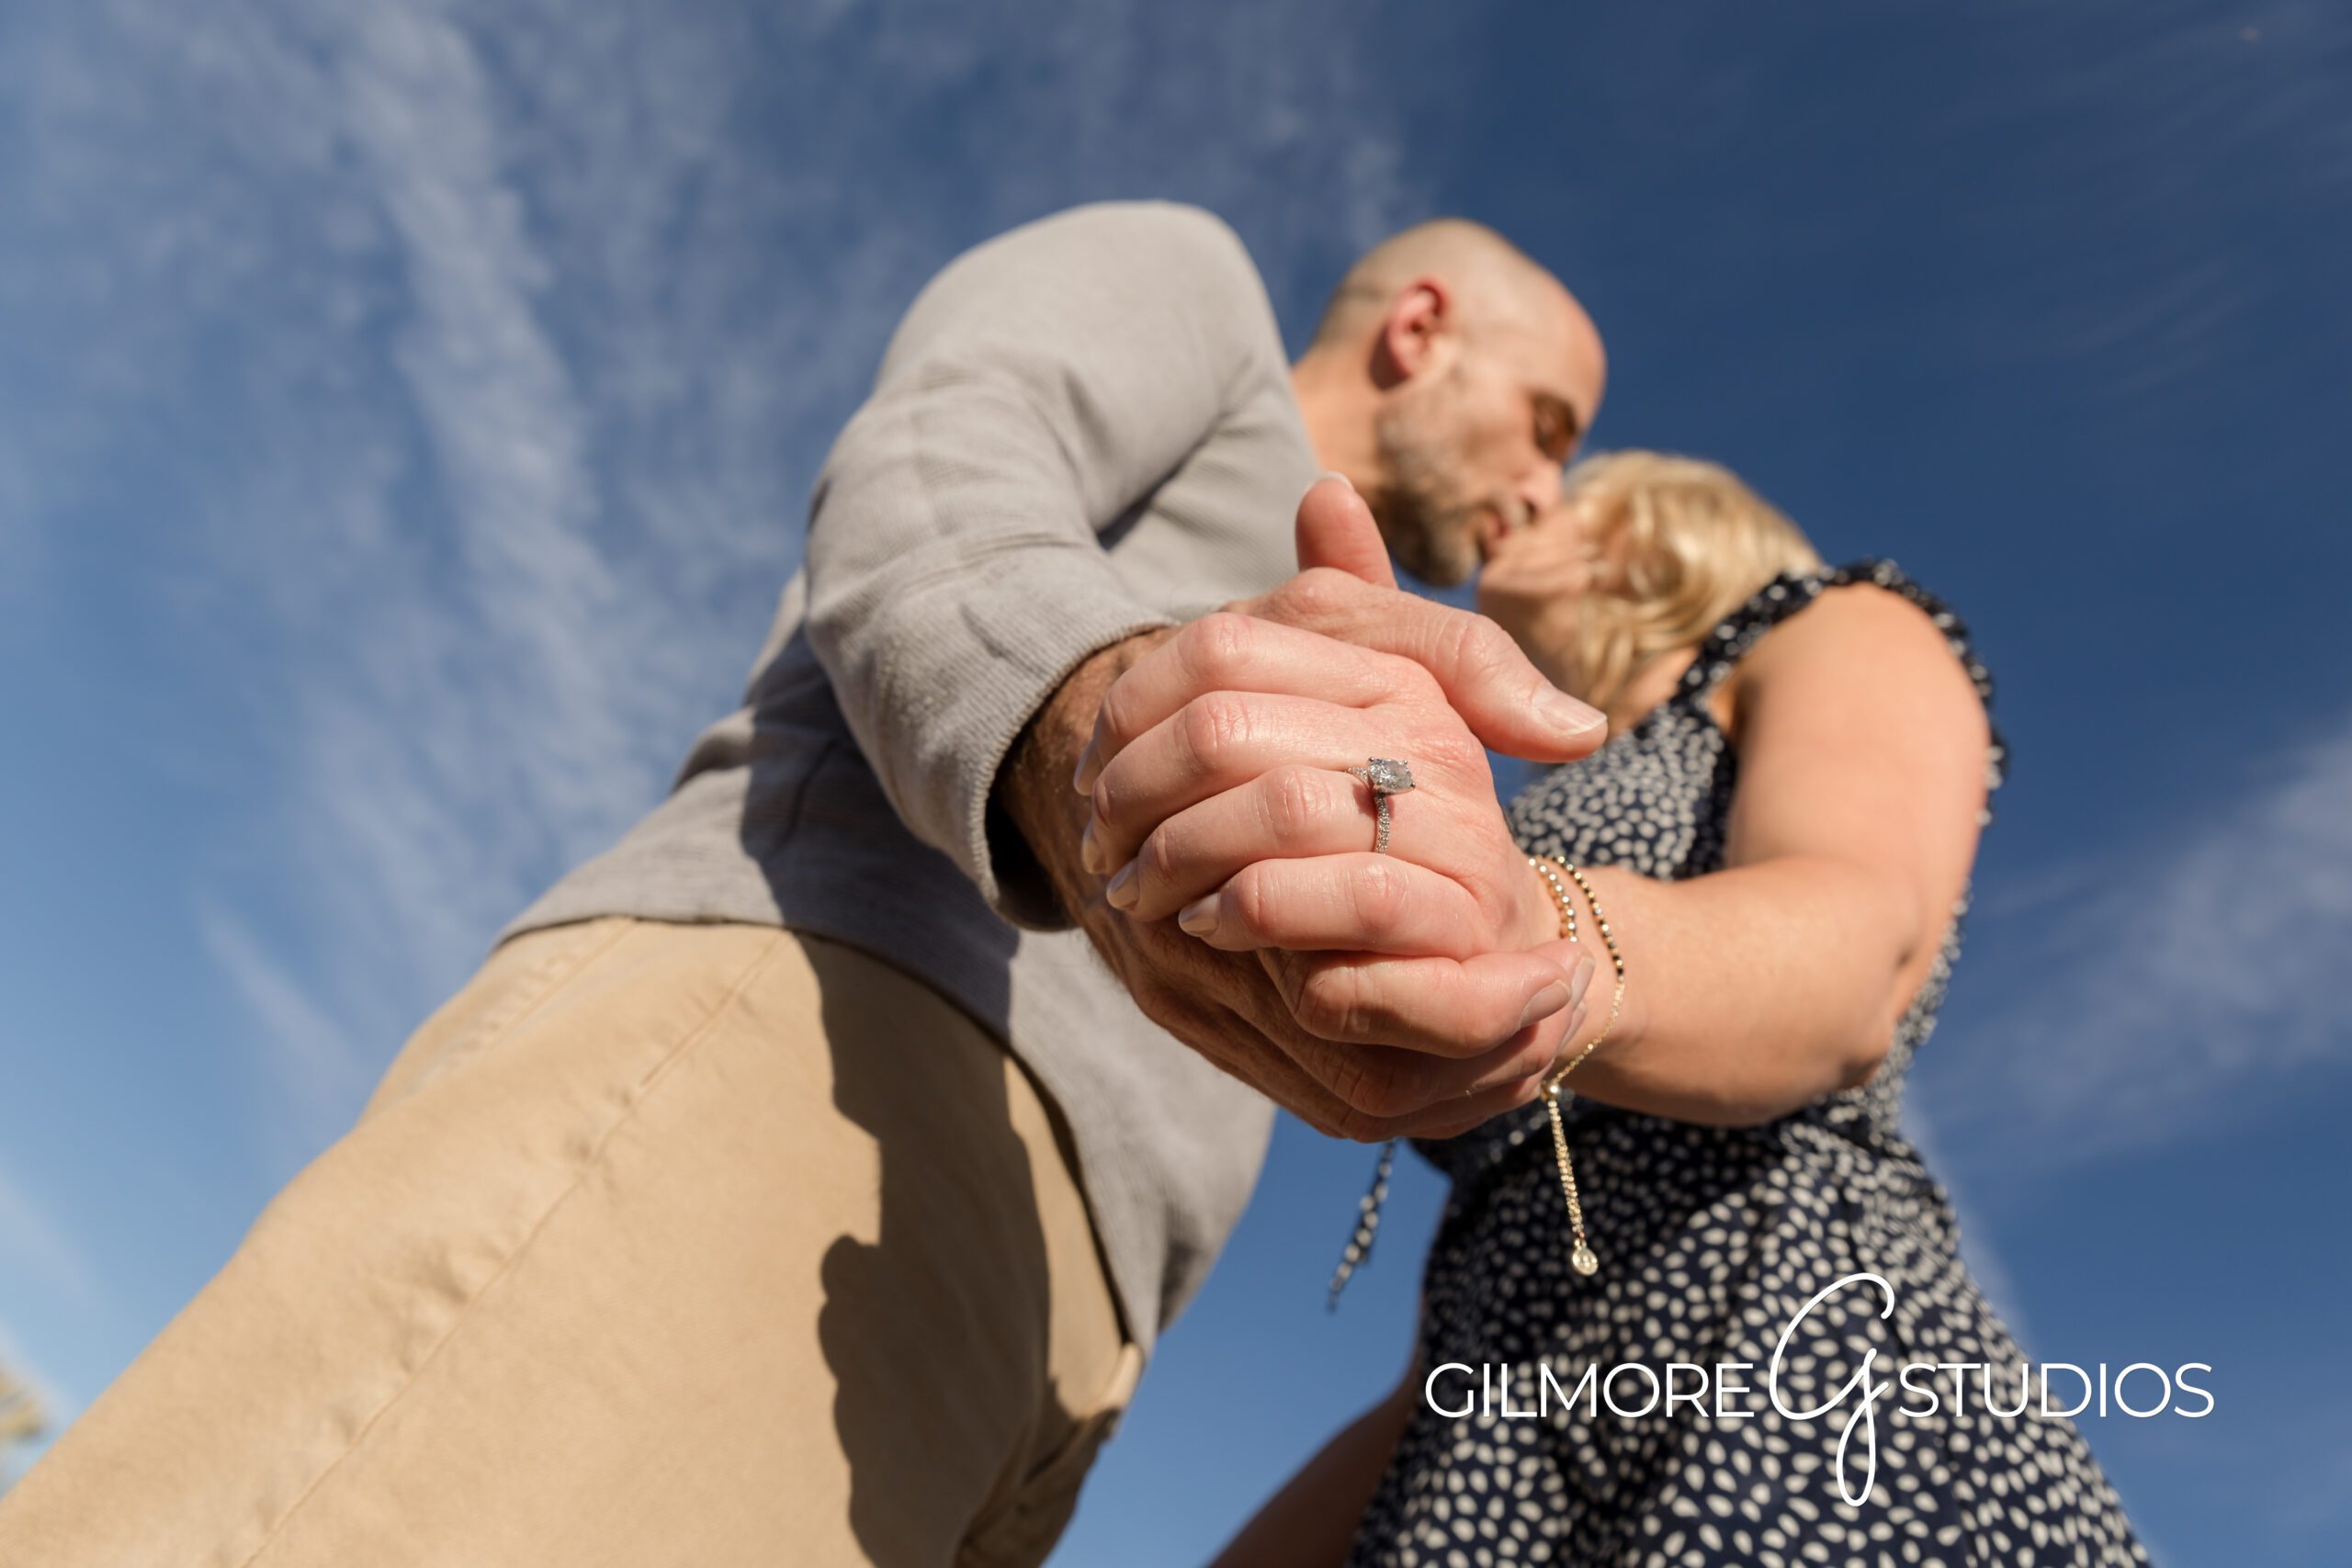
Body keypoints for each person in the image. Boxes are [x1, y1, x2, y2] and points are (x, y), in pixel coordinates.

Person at [0, 204, 1611, 1567]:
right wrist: (1089, 729)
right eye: (1550, 420)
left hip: (1045, 1357)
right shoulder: (1193, 292)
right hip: (811, 1074)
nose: (1551, 488)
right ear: (1420, 325)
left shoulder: (1356, 630)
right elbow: (936, 457)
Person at [1081, 455, 2150, 1564]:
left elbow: (1852, 953)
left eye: (1570, 478)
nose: (1523, 485)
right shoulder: (1542, 800)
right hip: (1498, 1415)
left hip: (1792, 1353)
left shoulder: (1838, 620)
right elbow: (1463, 1339)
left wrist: (1538, 938)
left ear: (1661, 533)